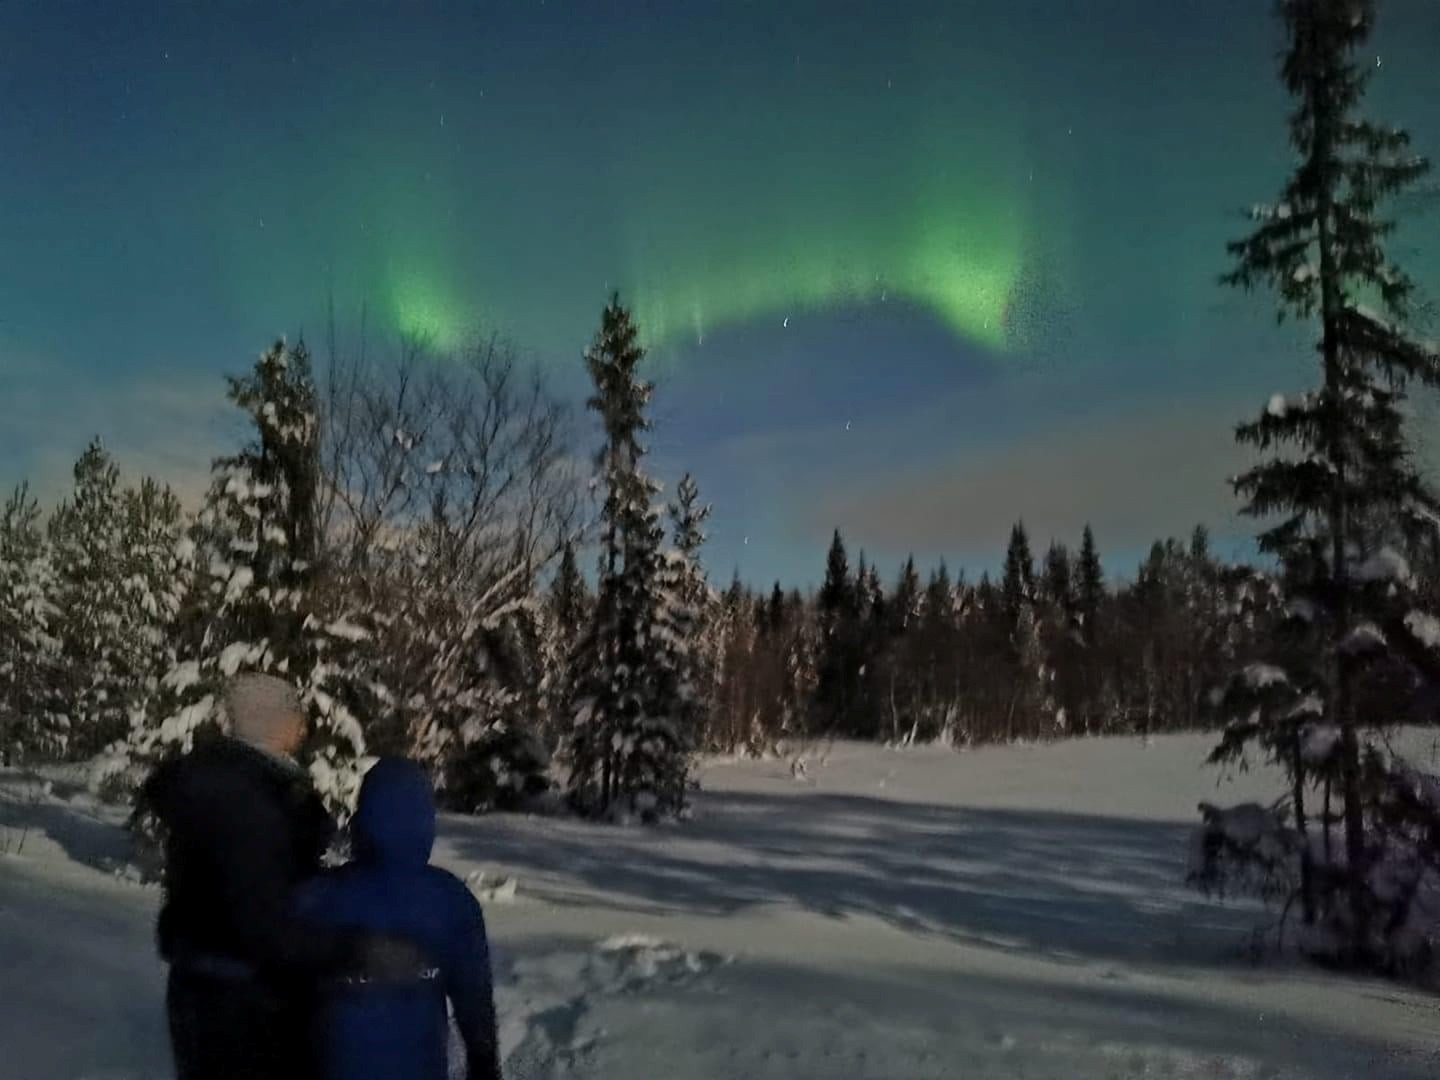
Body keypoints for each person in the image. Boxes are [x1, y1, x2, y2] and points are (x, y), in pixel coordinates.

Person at [140, 673, 422, 1080]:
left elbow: (257, 888)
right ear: (269, 720)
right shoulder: (247, 801)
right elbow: (265, 927)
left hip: (208, 993)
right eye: (296, 714)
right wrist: (362, 950)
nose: (304, 726)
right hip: (247, 1006)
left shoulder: (231, 782)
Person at [295, 757, 502, 1080]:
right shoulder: (451, 902)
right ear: (425, 822)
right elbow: (474, 1003)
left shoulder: (320, 897)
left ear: (363, 820)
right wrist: (484, 1063)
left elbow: (284, 993)